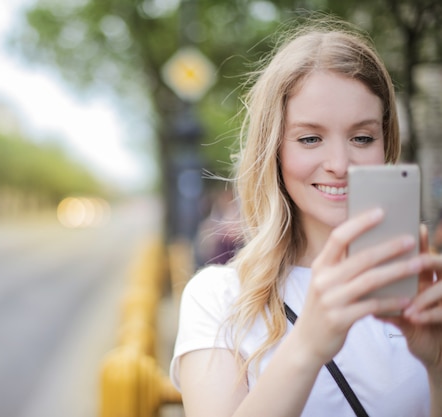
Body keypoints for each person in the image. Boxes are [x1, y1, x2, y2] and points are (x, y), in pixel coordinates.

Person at [170, 18, 442, 417]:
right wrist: (308, 345)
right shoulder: (219, 299)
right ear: (274, 150)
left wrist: (438, 366)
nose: (339, 163)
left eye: (362, 137)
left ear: (386, 145)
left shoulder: (424, 289)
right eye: (310, 138)